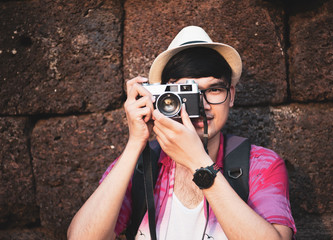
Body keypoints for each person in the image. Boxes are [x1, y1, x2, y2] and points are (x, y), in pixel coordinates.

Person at [67, 26, 296, 240]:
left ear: (232, 95)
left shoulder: (260, 165)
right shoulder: (140, 166)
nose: (202, 104)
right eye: (187, 93)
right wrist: (136, 141)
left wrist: (198, 162)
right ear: (163, 99)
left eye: (214, 90)